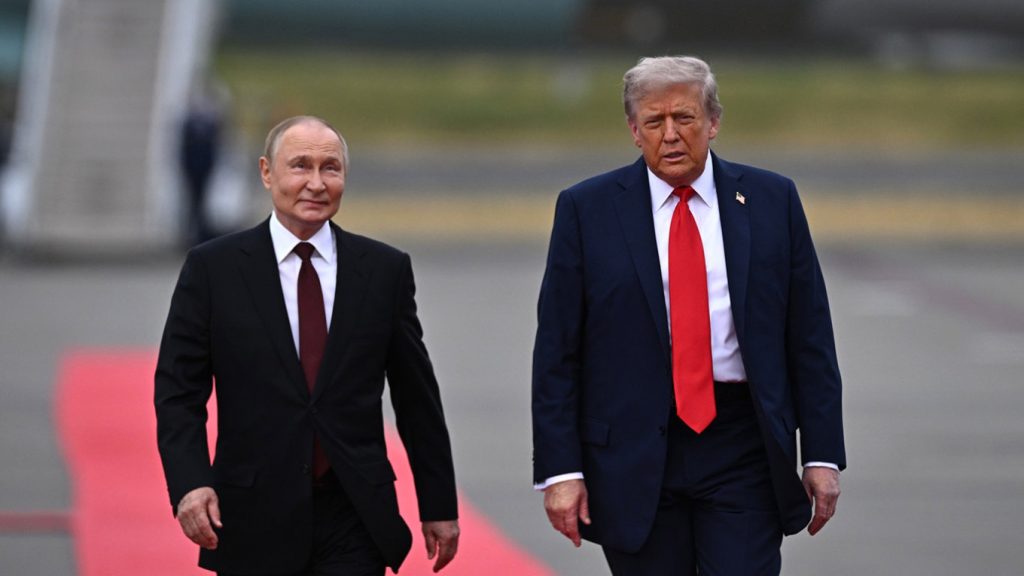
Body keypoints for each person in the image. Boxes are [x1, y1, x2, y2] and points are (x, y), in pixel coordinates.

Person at [532, 56, 845, 575]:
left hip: (741, 442)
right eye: (654, 122)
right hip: (632, 448)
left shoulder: (772, 200)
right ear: (634, 131)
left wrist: (822, 454)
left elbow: (809, 336)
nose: (671, 135)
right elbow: (557, 352)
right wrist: (561, 470)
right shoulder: (587, 210)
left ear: (713, 121)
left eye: (685, 117)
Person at [156, 116, 460, 576]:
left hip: (353, 511)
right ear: (266, 172)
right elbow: (179, 391)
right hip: (252, 511)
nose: (316, 183)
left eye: (330, 168)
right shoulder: (213, 270)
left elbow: (416, 398)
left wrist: (438, 503)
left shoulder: (384, 271)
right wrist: (190, 483)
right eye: (300, 166)